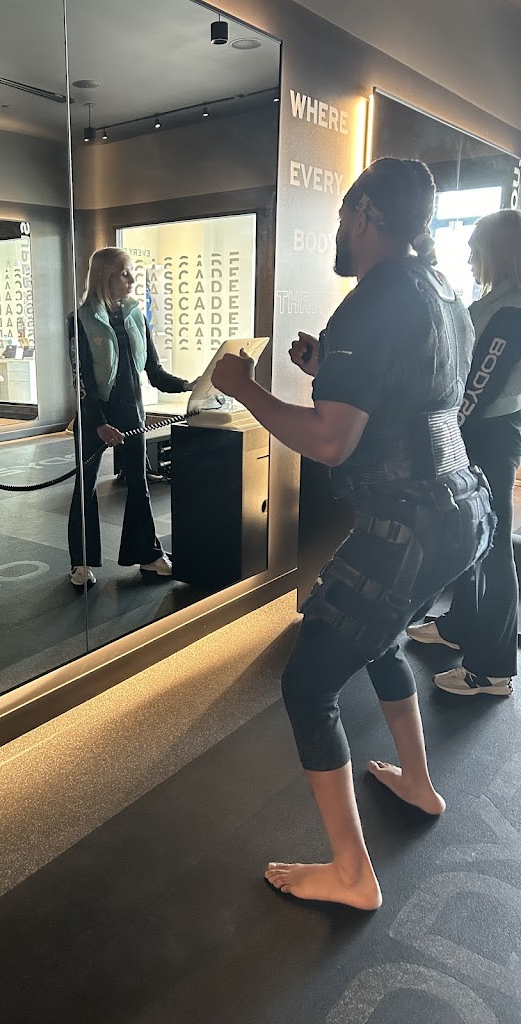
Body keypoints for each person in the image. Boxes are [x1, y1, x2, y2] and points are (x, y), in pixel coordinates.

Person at [211, 158, 494, 910]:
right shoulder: (441, 292)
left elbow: (331, 442)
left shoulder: (373, 298)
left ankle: (351, 873)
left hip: (409, 522)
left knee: (307, 686)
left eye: (343, 213)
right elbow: (408, 397)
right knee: (382, 639)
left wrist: (243, 389)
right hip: (460, 511)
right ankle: (419, 783)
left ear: (365, 213)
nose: (339, 226)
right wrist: (323, 367)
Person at [407, 209, 521, 696]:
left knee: (492, 547)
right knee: (475, 536)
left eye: (476, 246)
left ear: (498, 250)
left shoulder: (511, 309)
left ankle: (492, 669)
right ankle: (459, 627)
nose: (471, 254)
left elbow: (479, 385)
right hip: (482, 431)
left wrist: (444, 438)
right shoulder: (496, 301)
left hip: (489, 434)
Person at [67, 247, 193, 587]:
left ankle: (148, 555)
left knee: (139, 483)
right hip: (95, 416)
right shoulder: (79, 320)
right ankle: (80, 561)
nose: (132, 280)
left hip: (131, 412)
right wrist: (99, 423)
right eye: (124, 273)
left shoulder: (136, 316)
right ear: (104, 276)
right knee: (85, 487)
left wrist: (188, 385)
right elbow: (82, 380)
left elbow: (154, 371)